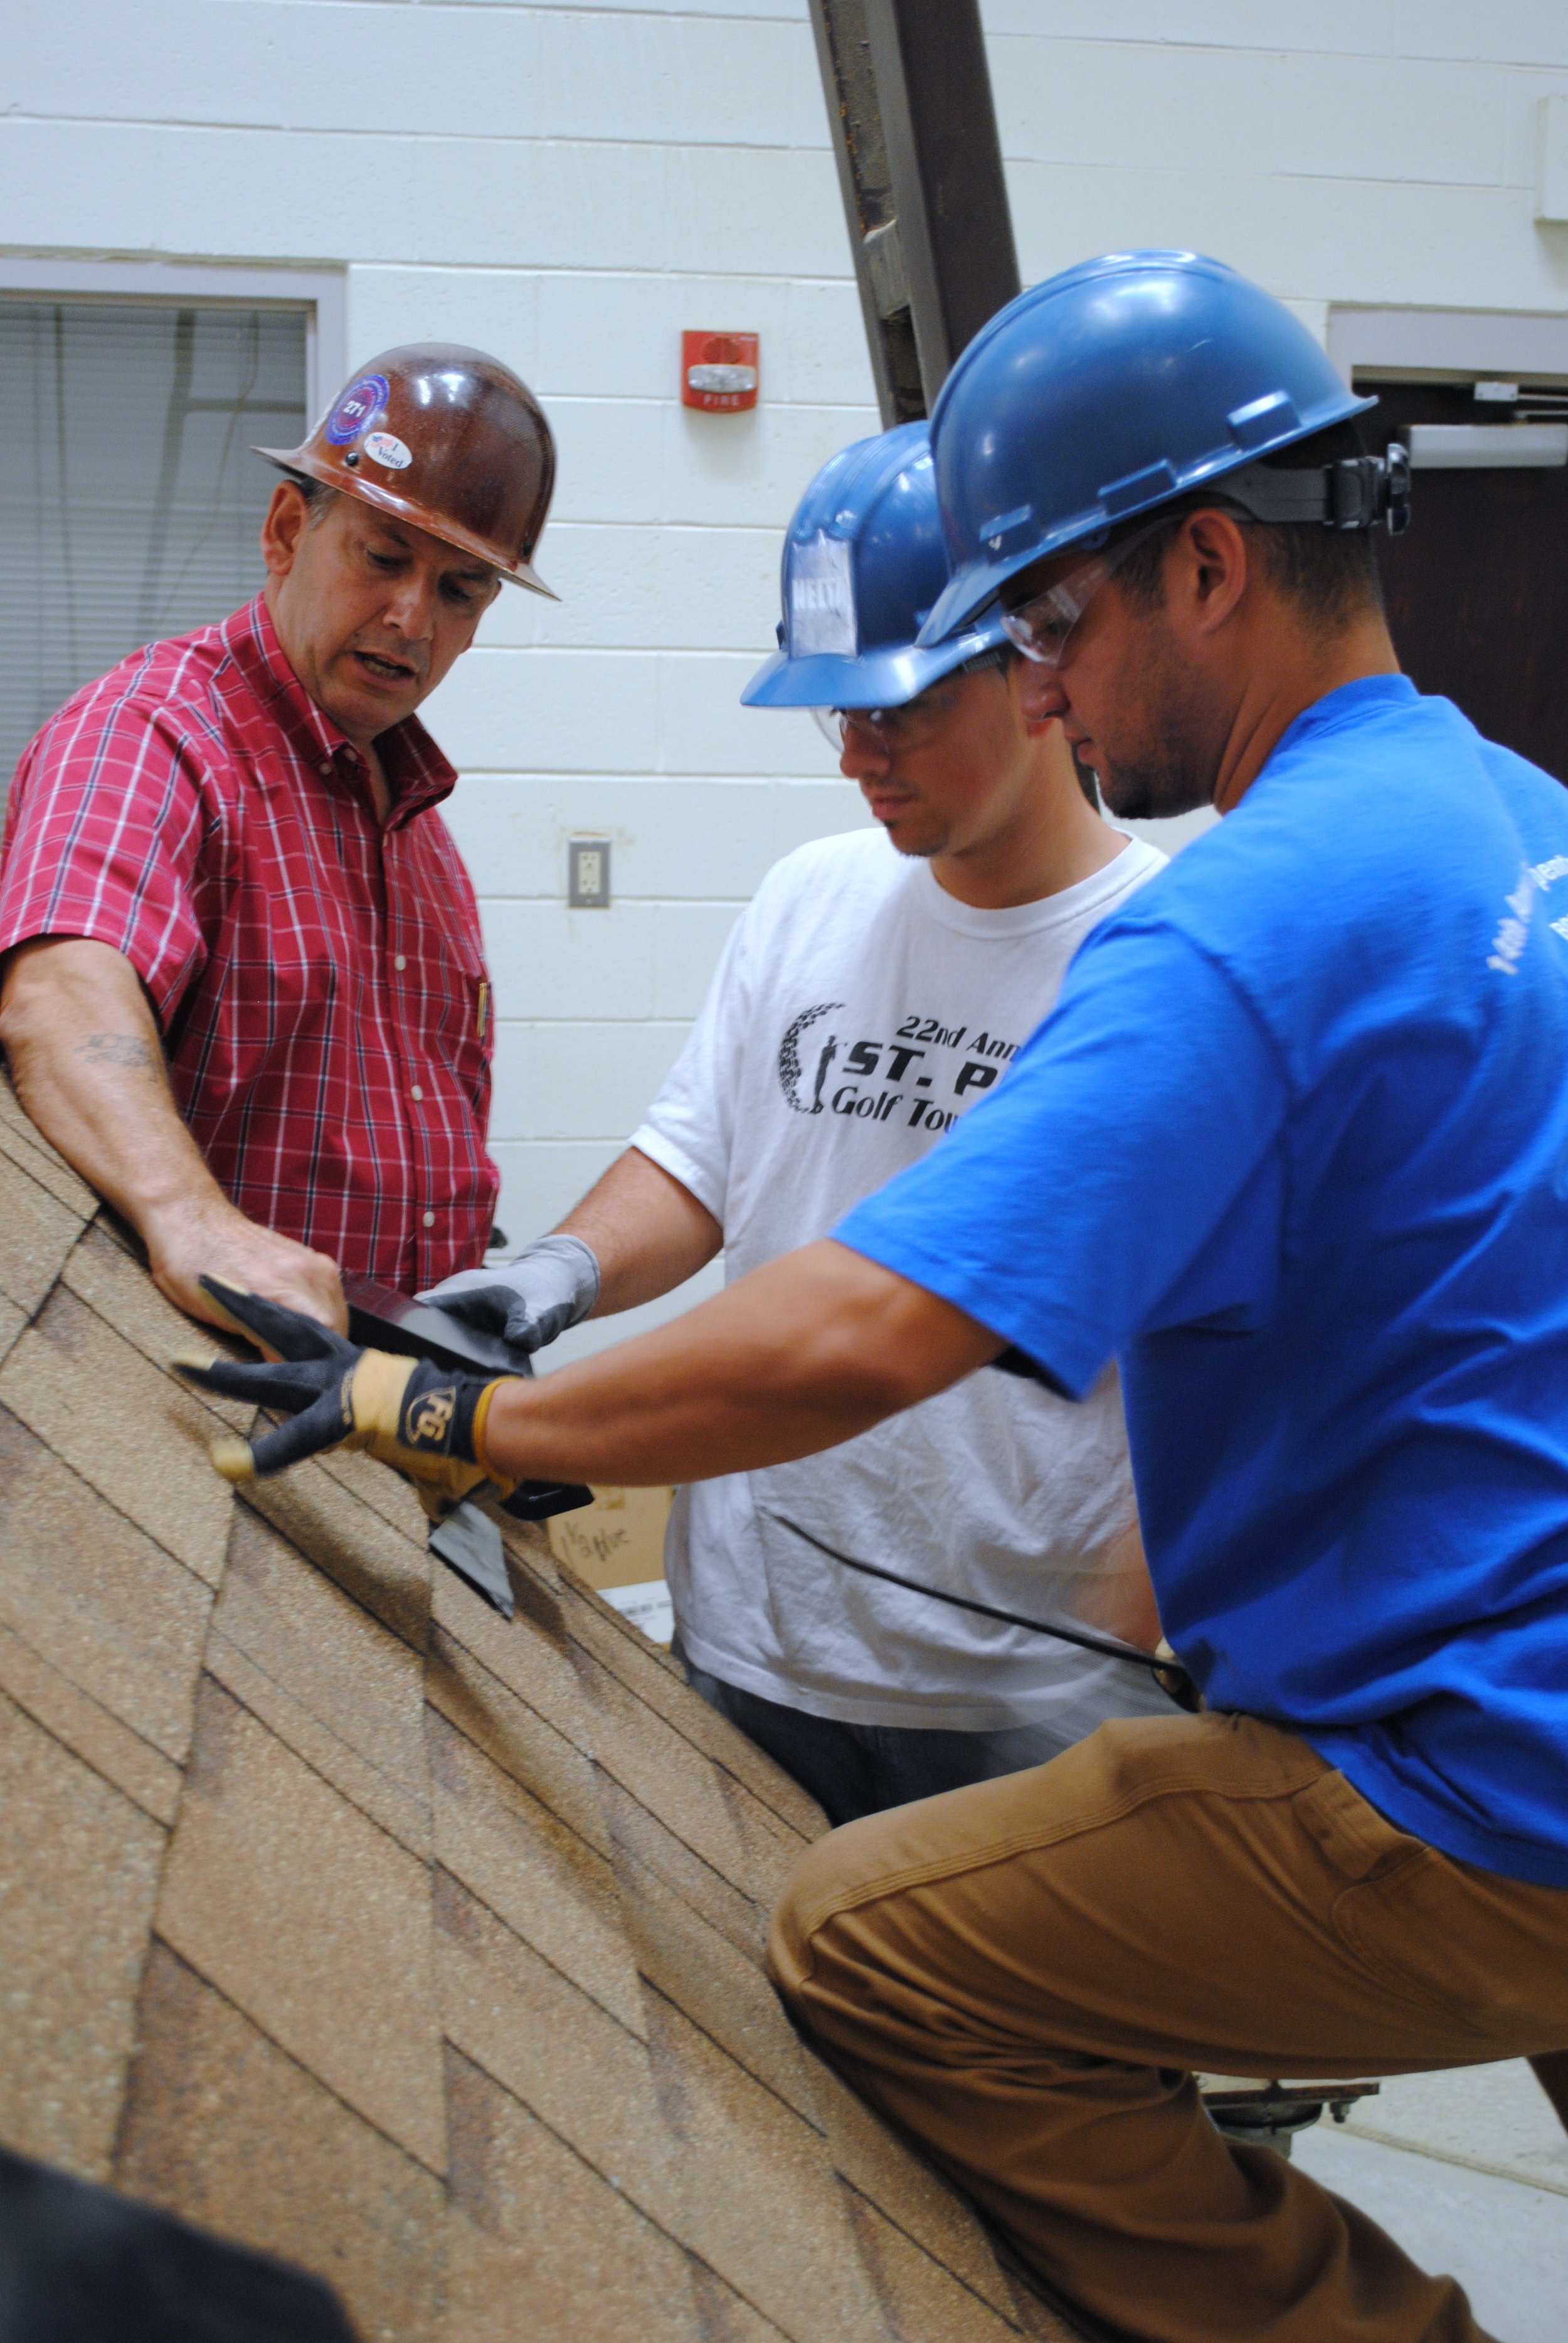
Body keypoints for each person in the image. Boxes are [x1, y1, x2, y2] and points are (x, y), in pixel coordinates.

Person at [180, 252, 1568, 2343]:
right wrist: (547, 1285)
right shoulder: (1520, 824)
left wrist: (455, 1417)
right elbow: (721, 1171)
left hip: (1448, 1765)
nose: (1040, 687)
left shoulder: (1223, 935)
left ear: (1203, 563)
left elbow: (865, 1327)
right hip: (1473, 1709)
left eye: (1044, 625)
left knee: (873, 1953)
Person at [420, 423, 1171, 1825]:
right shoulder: (807, 895)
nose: (858, 762)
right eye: (841, 717)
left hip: (1026, 1692)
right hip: (753, 1640)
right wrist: (553, 1277)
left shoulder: (1159, 955)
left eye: (896, 713)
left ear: (1032, 666)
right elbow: (701, 1160)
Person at [0, 344, 555, 1332]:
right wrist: (193, 1224)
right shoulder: (153, 736)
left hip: (388, 1407)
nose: (411, 617)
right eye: (383, 558)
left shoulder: (419, 834)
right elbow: (59, 990)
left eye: (461, 591)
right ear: (291, 529)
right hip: (227, 1376)